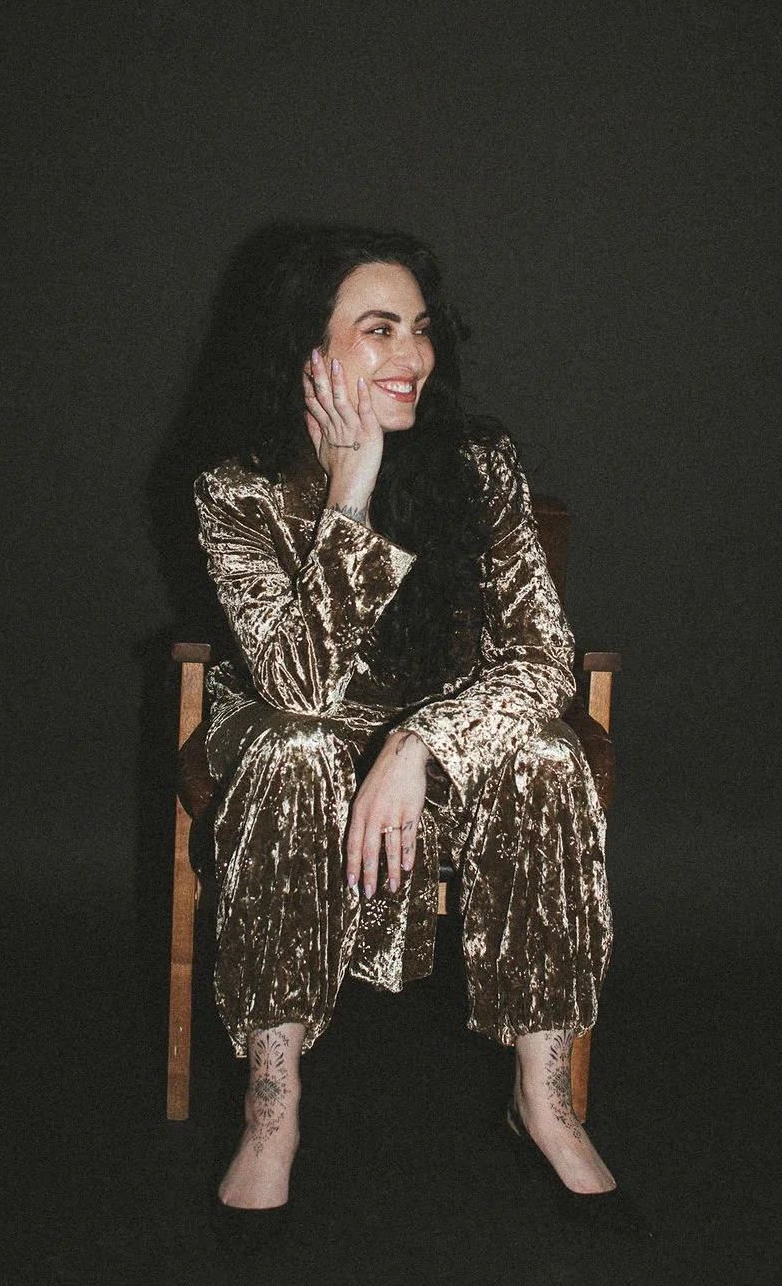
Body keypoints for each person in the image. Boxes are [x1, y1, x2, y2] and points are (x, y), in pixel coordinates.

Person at [194, 226, 629, 1235]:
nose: (412, 357)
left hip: (428, 761)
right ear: (306, 349)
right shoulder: (237, 490)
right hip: (288, 765)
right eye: (378, 329)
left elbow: (540, 654)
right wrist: (352, 487)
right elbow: (297, 687)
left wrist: (423, 738)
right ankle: (272, 1112)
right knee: (296, 745)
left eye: (421, 331)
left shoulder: (479, 465)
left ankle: (545, 1100)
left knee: (547, 748)